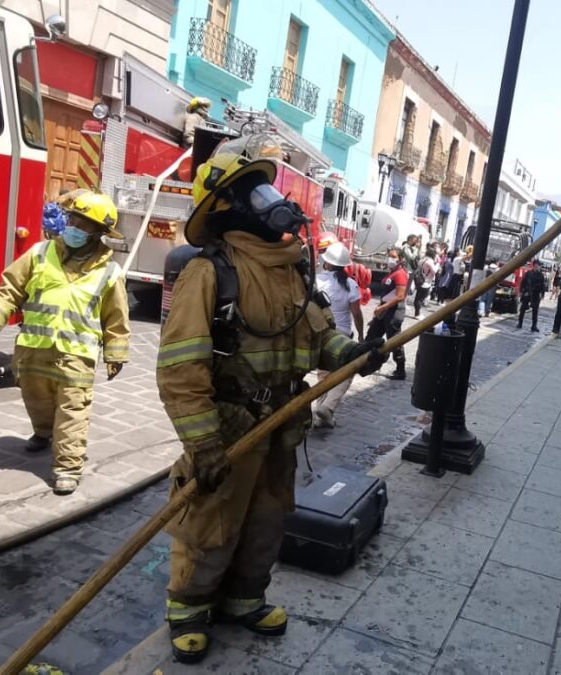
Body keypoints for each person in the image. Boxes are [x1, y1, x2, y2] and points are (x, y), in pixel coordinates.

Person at [156, 147, 386, 663]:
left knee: (266, 520)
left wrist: (354, 354)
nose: (270, 201)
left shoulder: (292, 271)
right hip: (229, 428)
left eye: (266, 189)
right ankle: (190, 609)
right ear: (228, 209)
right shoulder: (210, 273)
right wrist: (203, 441)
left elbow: (320, 336)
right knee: (211, 521)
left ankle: (244, 599)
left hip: (281, 425)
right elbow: (179, 366)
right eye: (253, 193)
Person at [0, 190, 130, 496]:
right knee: (37, 401)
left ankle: (67, 466)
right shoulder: (40, 254)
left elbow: (116, 318)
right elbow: (9, 289)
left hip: (76, 357)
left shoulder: (110, 273)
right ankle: (43, 432)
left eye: (83, 225)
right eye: (73, 219)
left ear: (98, 234)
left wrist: (115, 353)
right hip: (33, 352)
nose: (74, 227)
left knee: (73, 411)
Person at [313, 242, 365, 428]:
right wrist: (360, 334)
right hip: (342, 336)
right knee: (348, 372)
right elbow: (357, 314)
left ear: (326, 262)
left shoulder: (315, 281)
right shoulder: (350, 284)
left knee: (324, 376)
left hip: (320, 334)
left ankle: (321, 416)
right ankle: (327, 407)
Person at [366, 247, 409, 379]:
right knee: (372, 335)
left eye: (393, 256)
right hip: (384, 309)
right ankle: (368, 363)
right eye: (389, 256)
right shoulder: (392, 272)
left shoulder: (400, 273)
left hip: (394, 310)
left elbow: (400, 296)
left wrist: (383, 308)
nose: (390, 259)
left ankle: (400, 370)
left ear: (400, 259)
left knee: (394, 340)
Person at [517, 260, 546, 332]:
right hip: (527, 293)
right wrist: (521, 291)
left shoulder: (541, 275)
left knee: (535, 311)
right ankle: (520, 323)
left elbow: (543, 285)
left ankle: (534, 326)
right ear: (534, 266)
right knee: (523, 309)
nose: (537, 267)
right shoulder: (528, 273)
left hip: (536, 294)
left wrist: (542, 294)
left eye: (538, 266)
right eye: (536, 266)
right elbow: (523, 282)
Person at [414, 244, 438, 317]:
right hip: (426, 281)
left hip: (419, 280)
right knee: (420, 298)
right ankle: (417, 314)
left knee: (418, 297)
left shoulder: (422, 259)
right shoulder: (430, 261)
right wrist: (437, 265)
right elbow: (434, 271)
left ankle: (417, 313)